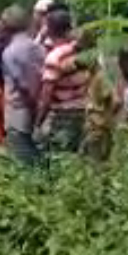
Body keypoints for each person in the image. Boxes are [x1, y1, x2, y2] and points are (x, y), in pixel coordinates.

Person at [38, 9, 91, 153]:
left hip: (63, 115)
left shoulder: (54, 58)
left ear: (49, 29)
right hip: (84, 110)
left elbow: (46, 96)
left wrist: (38, 122)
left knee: (57, 153)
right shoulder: (81, 50)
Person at [0, 7, 47, 166]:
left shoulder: (10, 52)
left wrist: (31, 104)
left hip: (18, 111)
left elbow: (22, 84)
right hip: (42, 109)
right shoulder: (38, 48)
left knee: (22, 161)